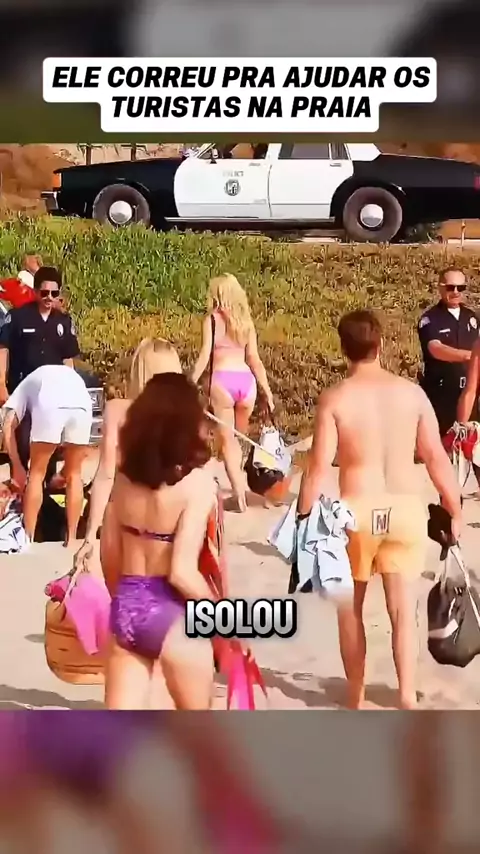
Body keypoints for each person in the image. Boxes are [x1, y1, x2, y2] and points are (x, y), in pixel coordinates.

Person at [297, 309, 462, 710]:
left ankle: (356, 694)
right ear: (381, 344)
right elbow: (436, 458)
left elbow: (318, 468)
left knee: (350, 609)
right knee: (402, 611)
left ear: (343, 349)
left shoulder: (335, 398)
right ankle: (405, 695)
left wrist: (302, 518)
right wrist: (454, 508)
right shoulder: (412, 394)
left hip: (356, 510)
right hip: (404, 508)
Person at [102, 372, 217, 710]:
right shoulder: (197, 485)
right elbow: (182, 573)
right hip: (173, 612)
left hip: (127, 608)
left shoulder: (123, 481)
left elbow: (110, 557)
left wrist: (125, 601)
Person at [75, 338, 182, 569]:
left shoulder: (116, 410)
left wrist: (90, 535)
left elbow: (105, 475)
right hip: (170, 519)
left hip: (129, 519)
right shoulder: (182, 418)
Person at [191, 273, 274, 512]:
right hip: (247, 384)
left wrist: (190, 381)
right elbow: (254, 360)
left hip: (222, 382)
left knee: (227, 442)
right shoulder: (246, 323)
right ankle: (241, 491)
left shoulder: (212, 320)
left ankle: (238, 495)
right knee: (237, 440)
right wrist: (267, 391)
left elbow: (204, 355)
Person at [0, 266, 80, 486]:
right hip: (23, 389)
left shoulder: (63, 321)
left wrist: (71, 389)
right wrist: (1, 384)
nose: (49, 298)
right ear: (35, 292)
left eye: (54, 293)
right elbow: (3, 349)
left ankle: (45, 489)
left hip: (52, 394)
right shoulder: (17, 317)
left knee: (50, 443)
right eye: (44, 293)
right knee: (23, 441)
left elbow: (68, 359)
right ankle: (21, 485)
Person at [2, 364, 92, 545]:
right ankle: (71, 539)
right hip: (82, 401)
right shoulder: (49, 375)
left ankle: (28, 538)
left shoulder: (20, 391)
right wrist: (62, 474)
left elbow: (8, 425)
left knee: (36, 474)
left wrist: (17, 466)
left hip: (50, 401)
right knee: (74, 474)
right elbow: (82, 457)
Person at [417, 267, 479, 438]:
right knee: (443, 443)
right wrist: (473, 356)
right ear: (440, 287)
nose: (456, 292)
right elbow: (436, 349)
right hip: (442, 394)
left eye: (461, 288)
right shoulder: (431, 319)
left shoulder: (472, 317)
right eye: (451, 287)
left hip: (470, 395)